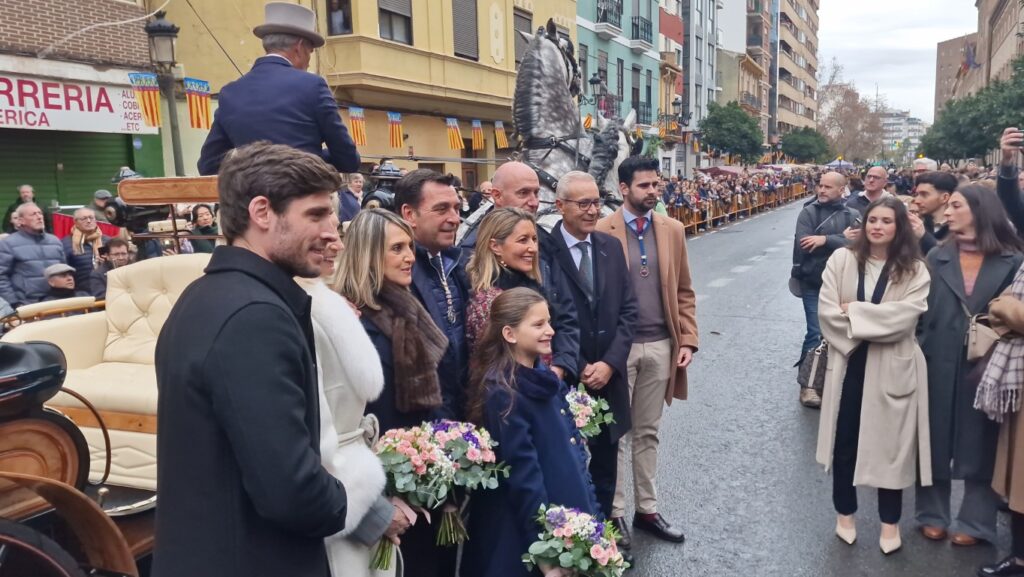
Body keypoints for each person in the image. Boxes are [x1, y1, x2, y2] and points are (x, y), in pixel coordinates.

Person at [153, 142, 349, 577]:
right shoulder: (255, 317)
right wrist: (342, 501)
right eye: (316, 215)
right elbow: (290, 490)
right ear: (262, 212)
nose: (333, 232)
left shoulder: (204, 296)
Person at [336, 208, 451, 577]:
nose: (409, 257)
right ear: (369, 254)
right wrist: (381, 499)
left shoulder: (406, 306)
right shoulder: (352, 321)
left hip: (419, 475)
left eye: (410, 247)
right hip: (381, 482)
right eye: (397, 248)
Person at [295, 207, 408, 576]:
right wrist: (373, 512)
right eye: (319, 228)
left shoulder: (329, 304)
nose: (335, 244)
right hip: (344, 502)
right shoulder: (300, 312)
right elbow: (316, 439)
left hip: (369, 478)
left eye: (335, 232)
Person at [816, 197, 932, 555]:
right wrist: (870, 319)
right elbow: (827, 312)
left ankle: (890, 521)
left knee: (891, 447)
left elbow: (905, 320)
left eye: (886, 221)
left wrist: (856, 311)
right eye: (872, 220)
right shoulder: (842, 259)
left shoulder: (914, 269)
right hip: (850, 361)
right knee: (845, 441)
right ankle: (845, 513)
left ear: (900, 227)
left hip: (893, 364)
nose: (877, 226)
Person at [460, 287, 600, 577]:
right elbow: (524, 477)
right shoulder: (503, 392)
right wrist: (544, 550)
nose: (549, 330)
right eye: (538, 325)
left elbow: (573, 447)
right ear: (509, 334)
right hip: (526, 532)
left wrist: (592, 509)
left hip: (565, 512)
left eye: (549, 321)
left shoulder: (544, 376)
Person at [597, 155, 697, 546]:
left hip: (660, 345)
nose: (654, 191)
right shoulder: (603, 230)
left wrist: (687, 339)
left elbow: (685, 291)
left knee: (649, 432)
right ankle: (616, 512)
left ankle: (648, 510)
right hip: (618, 349)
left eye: (656, 184)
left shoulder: (672, 229)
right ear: (624, 189)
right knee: (618, 434)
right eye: (645, 186)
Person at [917, 184, 1024, 547]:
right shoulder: (937, 257)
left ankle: (976, 522)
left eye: (956, 206)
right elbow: (920, 309)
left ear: (979, 210)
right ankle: (932, 514)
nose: (947, 212)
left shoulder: (1012, 260)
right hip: (938, 357)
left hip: (990, 362)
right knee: (933, 434)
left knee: (982, 438)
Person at [550, 171, 637, 524]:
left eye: (596, 202)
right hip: (568, 375)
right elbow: (548, 319)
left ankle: (606, 530)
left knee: (605, 461)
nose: (591, 211)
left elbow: (628, 311)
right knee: (564, 461)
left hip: (608, 376)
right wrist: (581, 364)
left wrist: (610, 364)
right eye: (582, 203)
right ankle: (570, 531)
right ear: (560, 206)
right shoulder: (544, 250)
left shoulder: (610, 247)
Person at [197, 2, 360, 175]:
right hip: (301, 193)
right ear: (299, 47)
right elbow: (348, 160)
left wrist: (253, 162)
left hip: (251, 198)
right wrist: (312, 156)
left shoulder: (230, 92)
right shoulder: (313, 85)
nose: (309, 61)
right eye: (310, 52)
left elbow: (208, 164)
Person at [459, 161, 580, 384]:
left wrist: (561, 366)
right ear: (496, 195)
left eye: (536, 192)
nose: (534, 202)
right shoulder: (469, 260)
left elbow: (566, 314)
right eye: (524, 193)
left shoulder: (547, 243)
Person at [394, 169, 470, 420]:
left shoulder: (457, 265)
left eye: (457, 209)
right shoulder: (395, 276)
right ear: (409, 214)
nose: (455, 218)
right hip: (426, 422)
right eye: (441, 209)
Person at [792, 171, 861, 407]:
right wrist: (837, 238)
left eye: (828, 187)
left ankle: (832, 381)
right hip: (813, 282)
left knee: (841, 334)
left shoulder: (853, 215)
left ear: (842, 190)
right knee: (815, 332)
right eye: (820, 186)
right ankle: (809, 384)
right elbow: (805, 242)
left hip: (844, 284)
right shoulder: (808, 212)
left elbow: (860, 243)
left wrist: (825, 240)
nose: (822, 190)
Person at [0, 203, 66, 307]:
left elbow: (64, 271)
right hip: (28, 304)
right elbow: (1, 276)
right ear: (21, 221)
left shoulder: (55, 241)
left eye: (40, 213)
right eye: (33, 214)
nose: (39, 217)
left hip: (58, 302)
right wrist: (14, 302)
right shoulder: (7, 244)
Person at [61, 207, 107, 291]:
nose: (89, 221)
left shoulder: (107, 241)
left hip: (106, 289)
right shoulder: (66, 243)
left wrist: (108, 261)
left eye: (91, 218)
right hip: (81, 292)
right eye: (84, 219)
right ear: (75, 222)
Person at [912, 171, 957, 255]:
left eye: (924, 194)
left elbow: (949, 258)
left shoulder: (959, 228)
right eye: (916, 194)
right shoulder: (915, 224)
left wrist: (924, 236)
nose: (917, 200)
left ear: (944, 197)